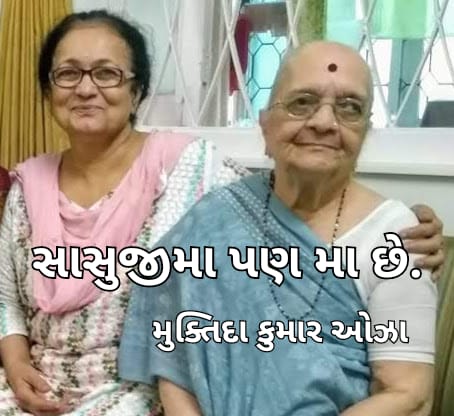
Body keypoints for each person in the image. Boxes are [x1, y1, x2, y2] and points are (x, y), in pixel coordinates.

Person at [119, 41, 440, 415]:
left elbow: (407, 394)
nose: (324, 122)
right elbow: (175, 364)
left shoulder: (396, 236)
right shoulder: (216, 218)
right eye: (302, 102)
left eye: (349, 107)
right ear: (265, 124)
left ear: (365, 133)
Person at [0, 10, 245, 416]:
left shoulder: (188, 168)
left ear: (137, 90)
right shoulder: (29, 185)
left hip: (143, 387)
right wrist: (16, 364)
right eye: (68, 74)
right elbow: (5, 298)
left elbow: (259, 260)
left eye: (106, 73)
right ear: (48, 90)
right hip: (34, 381)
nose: (85, 88)